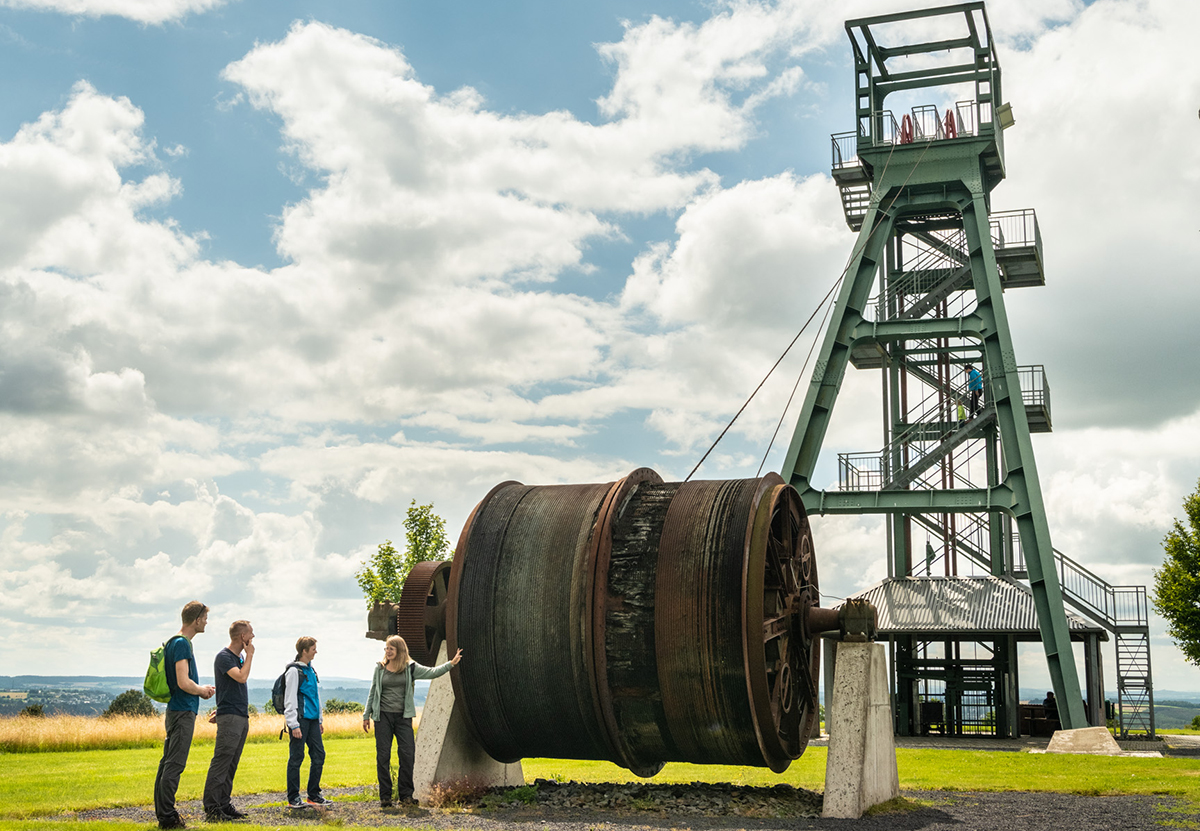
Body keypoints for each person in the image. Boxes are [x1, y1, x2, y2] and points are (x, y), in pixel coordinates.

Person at [362, 636, 463, 808]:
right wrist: (366, 715)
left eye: (391, 649)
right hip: (383, 717)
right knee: (383, 757)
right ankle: (385, 796)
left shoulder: (411, 668)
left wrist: (451, 663)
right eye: (386, 648)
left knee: (407, 756)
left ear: (400, 650)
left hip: (403, 717)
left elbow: (432, 672)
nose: (387, 651)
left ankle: (406, 795)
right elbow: (373, 691)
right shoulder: (380, 668)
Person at [154, 601, 216, 830]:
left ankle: (164, 814)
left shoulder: (174, 642)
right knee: (174, 764)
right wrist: (203, 691)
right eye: (205, 618)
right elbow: (183, 681)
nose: (207, 622)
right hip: (182, 711)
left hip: (175, 710)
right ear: (197, 619)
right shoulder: (182, 643)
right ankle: (168, 818)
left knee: (167, 763)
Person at [202, 620, 255, 821]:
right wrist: (250, 655)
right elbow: (241, 677)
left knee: (231, 763)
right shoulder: (224, 657)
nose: (253, 638)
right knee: (222, 762)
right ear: (242, 636)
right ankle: (213, 808)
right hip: (231, 716)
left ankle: (224, 804)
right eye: (251, 633)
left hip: (240, 715)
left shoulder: (238, 657)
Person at [284, 636, 330, 809]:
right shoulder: (294, 671)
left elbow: (315, 697)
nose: (315, 651)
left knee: (319, 755)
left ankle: (313, 795)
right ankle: (293, 798)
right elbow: (289, 699)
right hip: (300, 720)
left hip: (312, 721)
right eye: (313, 648)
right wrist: (293, 724)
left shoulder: (311, 670)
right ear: (304, 651)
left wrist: (319, 720)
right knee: (296, 758)